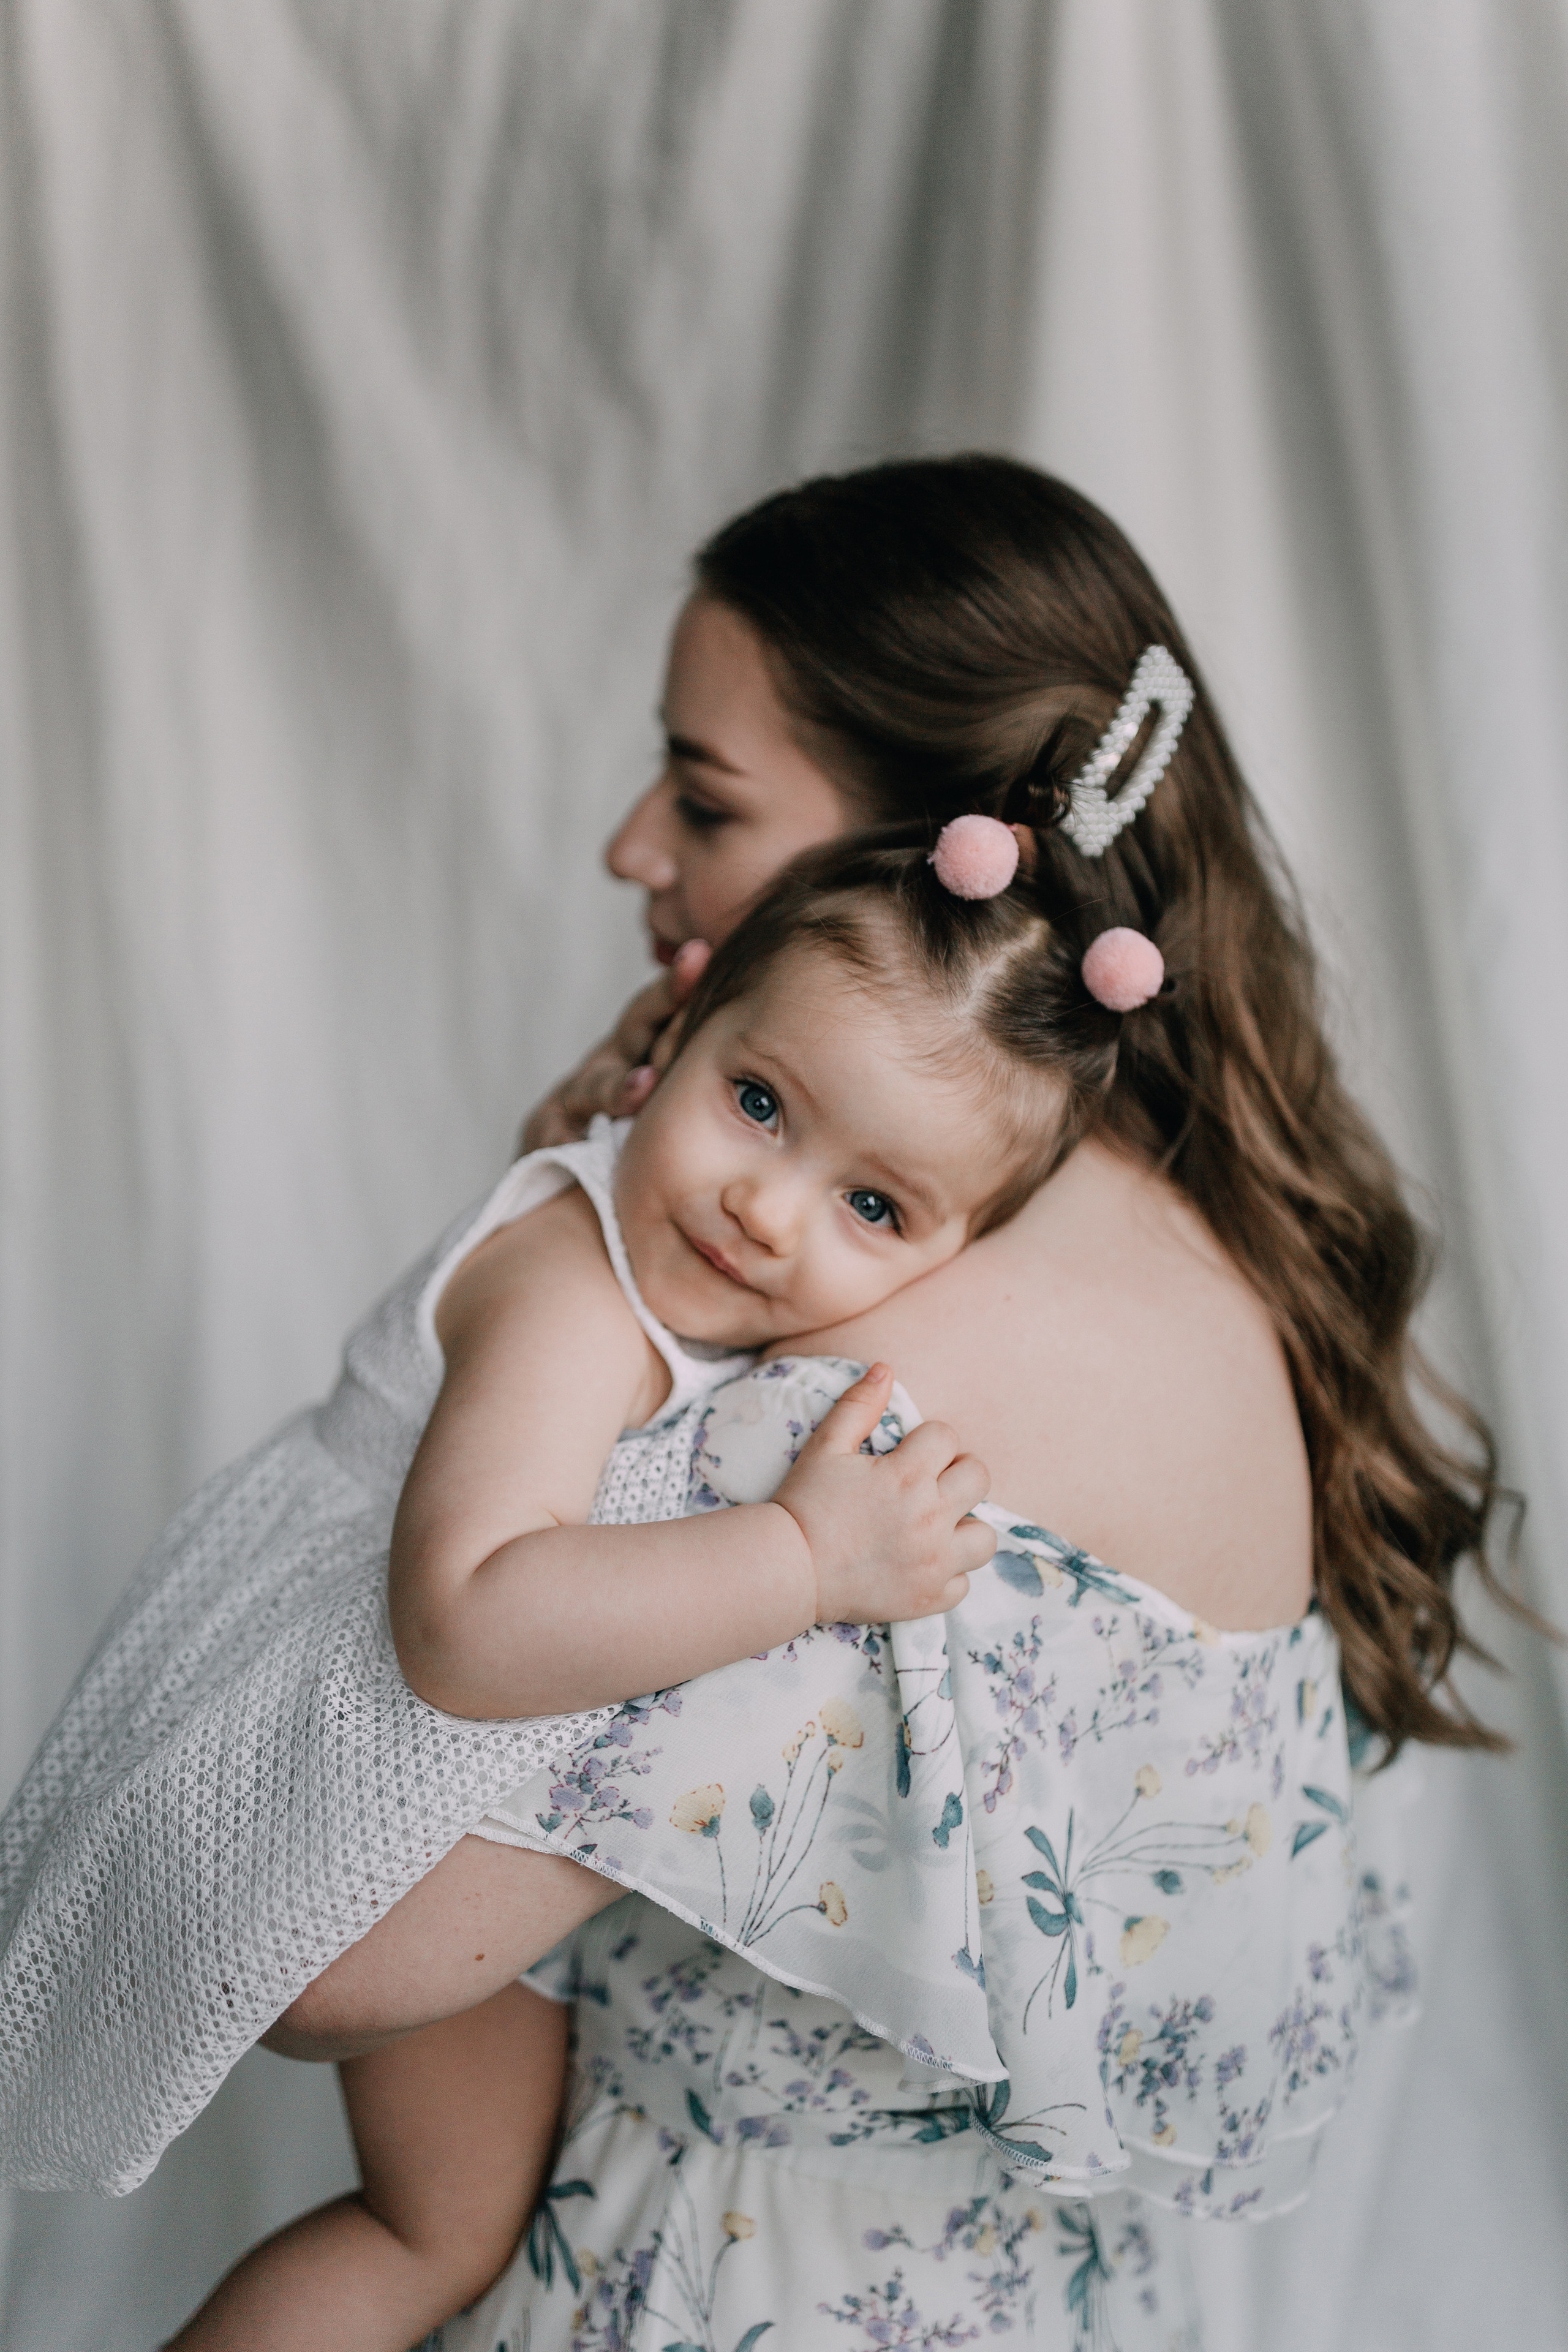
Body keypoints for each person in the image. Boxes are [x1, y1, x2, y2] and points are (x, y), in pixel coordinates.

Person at [0, 457, 1507, 2350]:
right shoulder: (1148, 1235)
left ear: (919, 861)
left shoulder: (881, 1388)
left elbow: (337, 1960)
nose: (638, 846)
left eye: (704, 797)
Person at [168, 815, 1149, 2347]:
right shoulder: (572, 1286)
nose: (769, 1208)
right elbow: (465, 1624)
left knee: (456, 2231)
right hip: (360, 1748)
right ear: (677, 1029)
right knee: (419, 2235)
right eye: (757, 1103)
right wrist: (807, 1557)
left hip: (477, 1786)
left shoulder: (675, 1260)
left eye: (872, 1209)